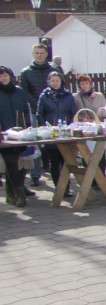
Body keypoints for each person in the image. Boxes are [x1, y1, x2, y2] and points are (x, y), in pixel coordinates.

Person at [36, 70, 77, 197]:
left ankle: (67, 186)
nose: (55, 83)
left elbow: (73, 112)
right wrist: (46, 127)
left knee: (65, 160)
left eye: (57, 81)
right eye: (52, 81)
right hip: (51, 133)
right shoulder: (44, 96)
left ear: (61, 82)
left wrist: (69, 126)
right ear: (49, 82)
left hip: (65, 132)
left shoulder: (68, 95)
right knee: (54, 161)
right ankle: (59, 187)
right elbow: (40, 113)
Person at [1, 66, 33, 206]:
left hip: (20, 132)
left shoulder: (19, 92)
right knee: (11, 162)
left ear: (10, 76)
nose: (3, 78)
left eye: (5, 75)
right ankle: (20, 194)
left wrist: (27, 127)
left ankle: (9, 193)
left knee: (17, 163)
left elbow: (26, 110)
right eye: (1, 76)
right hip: (4, 135)